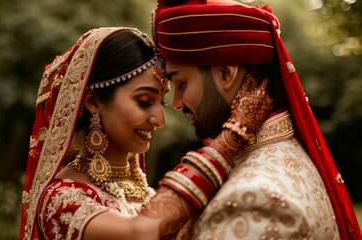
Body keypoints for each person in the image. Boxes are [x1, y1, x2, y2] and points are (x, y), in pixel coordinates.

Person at [19, 27, 272, 240]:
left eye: (161, 103)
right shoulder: (62, 198)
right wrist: (234, 133)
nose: (160, 120)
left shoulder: (145, 192)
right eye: (143, 101)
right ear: (93, 101)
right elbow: (143, 233)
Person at [152, 0, 362, 239]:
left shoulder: (252, 200)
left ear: (225, 73)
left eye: (181, 84)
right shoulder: (287, 151)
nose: (177, 102)